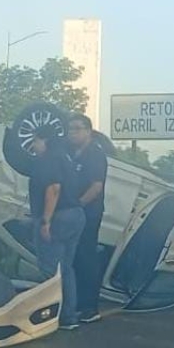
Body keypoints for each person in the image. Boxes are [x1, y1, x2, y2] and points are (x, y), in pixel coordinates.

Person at [29, 124, 86, 330]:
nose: (34, 146)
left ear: (45, 140)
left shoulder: (49, 159)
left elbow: (53, 188)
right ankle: (68, 316)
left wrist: (46, 220)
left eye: (36, 141)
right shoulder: (66, 158)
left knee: (49, 269)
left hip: (58, 217)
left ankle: (49, 317)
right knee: (67, 268)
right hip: (76, 214)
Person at [68, 113, 108, 323]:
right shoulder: (74, 153)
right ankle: (77, 303)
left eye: (77, 128)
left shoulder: (94, 154)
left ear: (88, 131)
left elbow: (96, 186)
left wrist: (78, 205)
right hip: (76, 213)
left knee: (86, 258)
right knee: (74, 259)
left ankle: (89, 307)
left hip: (88, 213)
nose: (72, 133)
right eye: (70, 129)